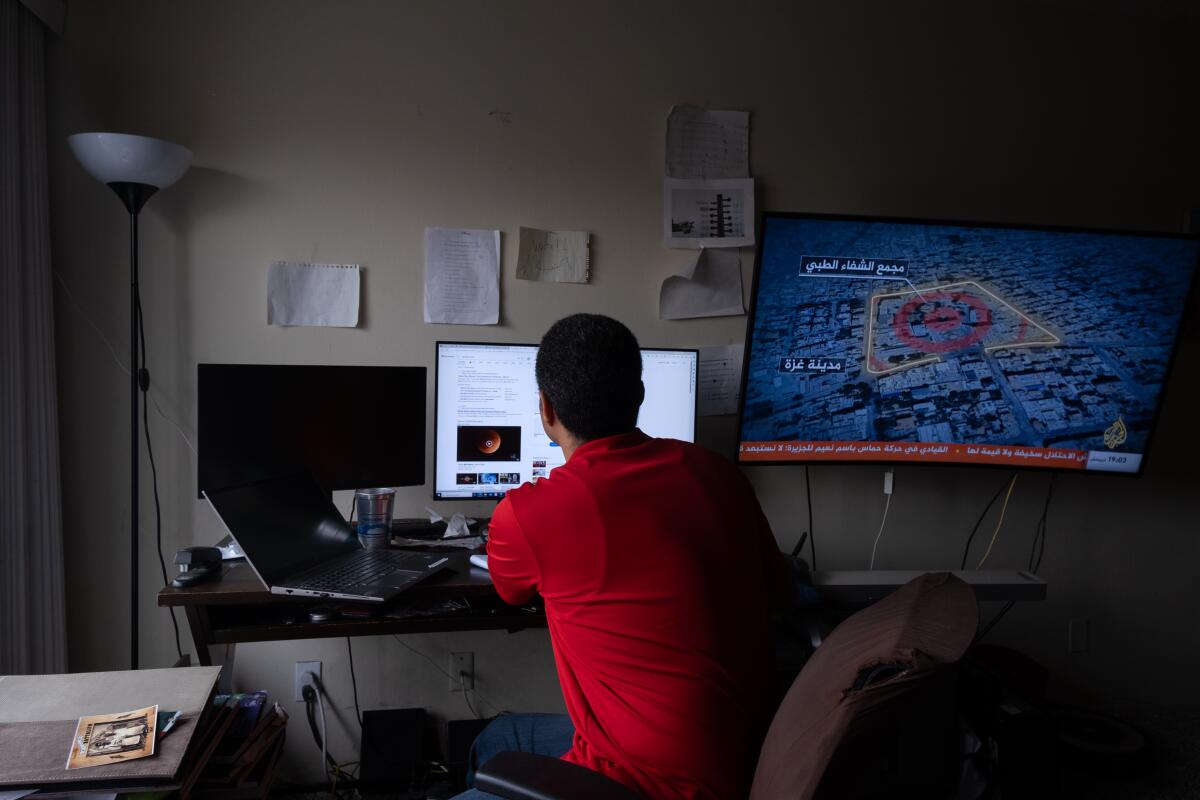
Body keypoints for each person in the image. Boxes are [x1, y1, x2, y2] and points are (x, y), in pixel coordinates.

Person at [456, 314, 788, 800]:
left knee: (490, 748)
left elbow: (511, 591)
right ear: (639, 394)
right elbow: (780, 590)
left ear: (546, 410)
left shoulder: (527, 515)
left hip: (640, 783)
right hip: (748, 759)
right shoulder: (719, 474)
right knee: (495, 739)